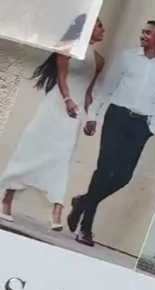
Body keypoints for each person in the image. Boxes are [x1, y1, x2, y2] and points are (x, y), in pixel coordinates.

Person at [67, 19, 155, 247]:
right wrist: (93, 116)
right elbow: (107, 87)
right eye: (142, 31)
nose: (143, 35)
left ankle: (82, 202)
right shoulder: (127, 57)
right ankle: (86, 228)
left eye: (148, 33)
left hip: (140, 125)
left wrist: (151, 128)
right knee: (104, 171)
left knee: (124, 177)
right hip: (117, 117)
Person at [1, 16, 105, 232]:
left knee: (62, 158)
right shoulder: (67, 47)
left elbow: (88, 92)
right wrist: (67, 100)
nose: (102, 30)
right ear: (87, 29)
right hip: (55, 107)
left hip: (75, 115)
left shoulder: (99, 60)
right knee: (30, 151)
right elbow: (62, 78)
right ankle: (7, 199)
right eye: (98, 26)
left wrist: (90, 117)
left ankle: (56, 209)